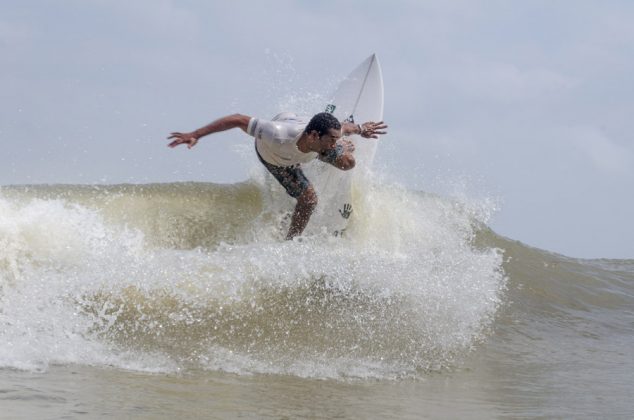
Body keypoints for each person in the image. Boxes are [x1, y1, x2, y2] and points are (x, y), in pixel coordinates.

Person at [167, 112, 387, 239]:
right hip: (276, 159)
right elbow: (237, 120)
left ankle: (330, 154)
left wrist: (359, 128)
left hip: (309, 150)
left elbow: (341, 127)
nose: (333, 143)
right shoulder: (274, 133)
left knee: (348, 163)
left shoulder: (325, 141)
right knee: (309, 199)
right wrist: (195, 134)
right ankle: (292, 241)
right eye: (331, 139)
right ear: (312, 135)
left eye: (335, 139)